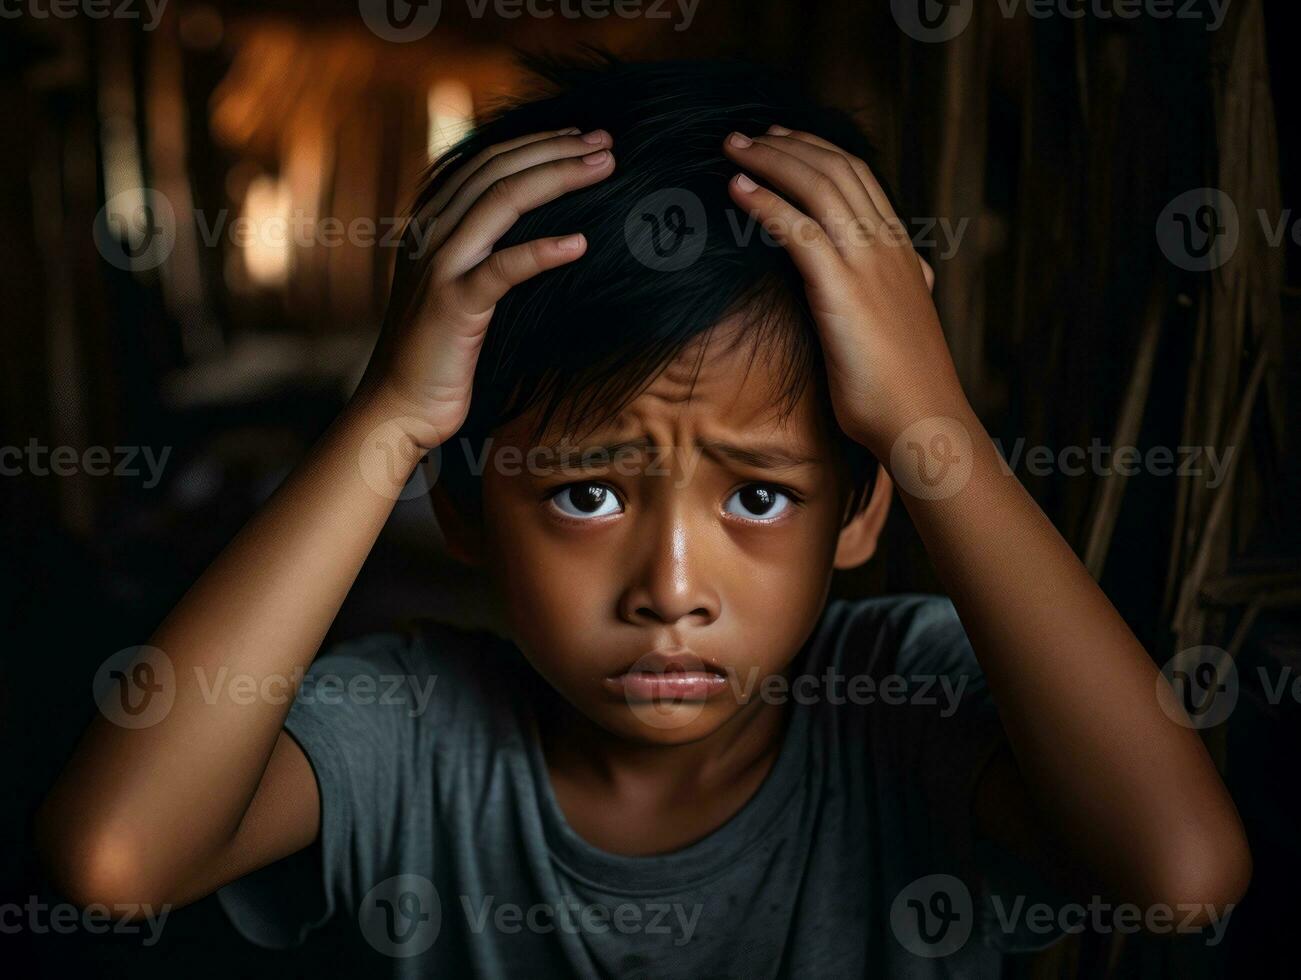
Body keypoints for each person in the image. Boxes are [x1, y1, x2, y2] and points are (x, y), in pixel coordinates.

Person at [37, 54, 1250, 978]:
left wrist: (933, 422)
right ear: (457, 505)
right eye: (586, 492)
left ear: (865, 507)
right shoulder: (409, 731)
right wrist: (387, 417)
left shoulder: (903, 699)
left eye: (761, 494)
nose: (670, 585)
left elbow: (1181, 873)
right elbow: (116, 860)